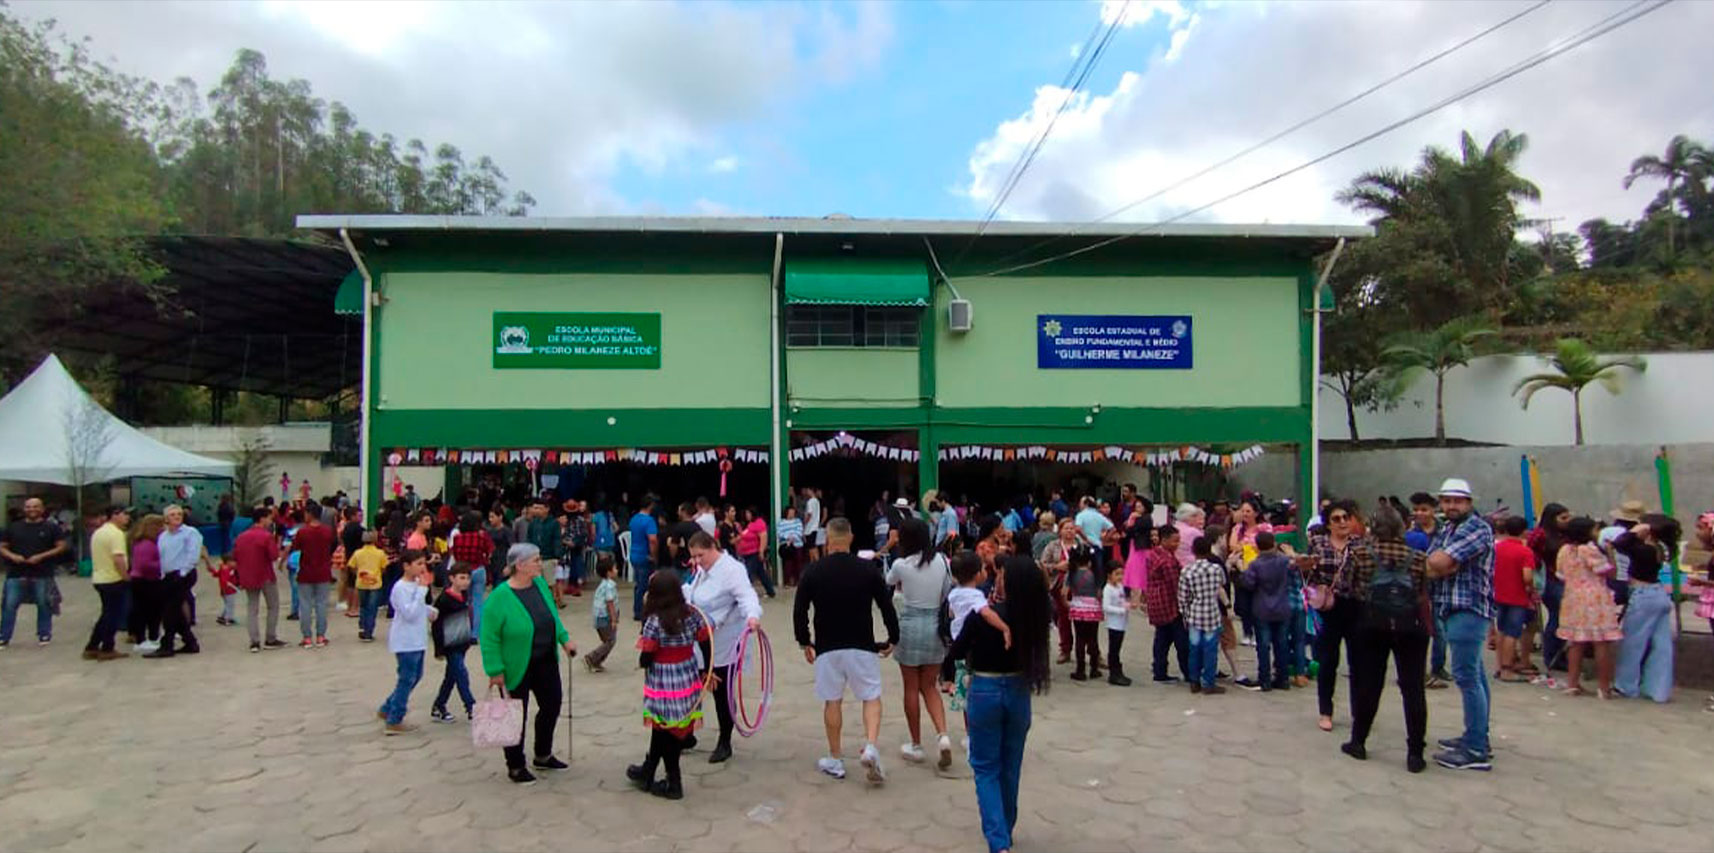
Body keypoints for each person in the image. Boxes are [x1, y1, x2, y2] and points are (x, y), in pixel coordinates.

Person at [940, 556, 1051, 853]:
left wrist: (949, 679)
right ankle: (1005, 828)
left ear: (1009, 580)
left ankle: (998, 840)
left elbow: (955, 652)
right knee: (1010, 765)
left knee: (986, 767)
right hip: (1018, 691)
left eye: (1000, 573)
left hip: (985, 689)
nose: (996, 577)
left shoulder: (983, 614)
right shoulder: (1036, 617)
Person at [794, 518, 900, 784]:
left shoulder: (813, 571)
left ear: (828, 539)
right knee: (871, 696)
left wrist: (804, 640)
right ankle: (871, 745)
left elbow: (800, 610)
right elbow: (886, 605)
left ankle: (836, 757)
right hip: (862, 644)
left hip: (828, 646)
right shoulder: (867, 570)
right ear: (850, 537)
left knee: (832, 701)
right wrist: (892, 637)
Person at [1342, 507, 1431, 773]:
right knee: (1413, 687)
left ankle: (1358, 740)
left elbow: (1349, 586)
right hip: (1409, 626)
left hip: (1372, 625)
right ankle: (1415, 753)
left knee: (1369, 683)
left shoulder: (1360, 554)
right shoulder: (1418, 557)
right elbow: (1423, 590)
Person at [479, 543, 575, 784]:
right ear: (519, 566)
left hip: (545, 661)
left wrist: (564, 640)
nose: (539, 564)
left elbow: (552, 615)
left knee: (552, 704)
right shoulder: (499, 598)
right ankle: (515, 764)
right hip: (516, 665)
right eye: (535, 560)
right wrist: (494, 669)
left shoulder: (540, 585)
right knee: (514, 715)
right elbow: (489, 637)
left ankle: (543, 753)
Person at [1425, 478, 1498, 772]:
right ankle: (1476, 735)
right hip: (1452, 607)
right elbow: (1432, 563)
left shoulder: (1476, 528)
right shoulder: (1449, 529)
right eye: (1446, 500)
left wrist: (1441, 564)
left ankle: (1476, 749)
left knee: (1466, 676)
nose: (1451, 505)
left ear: (1469, 503)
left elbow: (1439, 563)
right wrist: (1439, 564)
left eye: (1457, 500)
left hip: (1468, 606)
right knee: (1475, 675)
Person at [628, 569, 712, 800]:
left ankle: (674, 783)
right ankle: (648, 771)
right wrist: (705, 671)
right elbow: (706, 642)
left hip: (663, 681)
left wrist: (643, 661)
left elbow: (646, 657)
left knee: (666, 730)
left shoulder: (654, 622)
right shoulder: (692, 615)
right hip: (687, 677)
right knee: (664, 727)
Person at [685, 530, 763, 765]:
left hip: (724, 642)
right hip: (701, 639)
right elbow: (691, 592)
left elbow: (747, 596)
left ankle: (725, 741)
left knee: (722, 693)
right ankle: (686, 734)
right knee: (693, 686)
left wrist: (752, 616)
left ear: (712, 548)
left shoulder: (732, 569)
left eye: (700, 556)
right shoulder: (702, 571)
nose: (697, 561)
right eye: (694, 557)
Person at [883, 518, 955, 769]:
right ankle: (943, 735)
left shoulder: (902, 564)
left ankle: (916, 744)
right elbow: (947, 591)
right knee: (930, 686)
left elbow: (889, 581)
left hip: (910, 624)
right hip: (936, 625)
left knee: (911, 687)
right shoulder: (942, 562)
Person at [1305, 500, 1362, 729]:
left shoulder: (1360, 544)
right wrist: (1305, 567)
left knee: (1358, 663)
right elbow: (1309, 574)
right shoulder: (1319, 543)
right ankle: (1325, 712)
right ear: (1328, 524)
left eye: (1345, 518)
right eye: (1336, 519)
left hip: (1356, 606)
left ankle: (1360, 711)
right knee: (1328, 661)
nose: (1342, 523)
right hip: (1329, 608)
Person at [1613, 515, 1681, 702]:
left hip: (1643, 595)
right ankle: (1658, 690)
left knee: (1633, 644)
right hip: (1659, 595)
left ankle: (1626, 686)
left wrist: (1636, 531)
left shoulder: (1644, 550)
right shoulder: (1664, 549)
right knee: (1662, 646)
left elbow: (1620, 544)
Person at [1554, 516, 1621, 699]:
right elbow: (1610, 572)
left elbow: (1561, 575)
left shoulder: (1564, 550)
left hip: (1572, 598)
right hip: (1595, 599)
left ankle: (1572, 683)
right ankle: (1603, 686)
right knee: (1601, 642)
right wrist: (1610, 553)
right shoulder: (1589, 550)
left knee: (1575, 642)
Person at [379, 549, 437, 735]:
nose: (422, 568)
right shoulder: (400, 588)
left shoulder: (416, 585)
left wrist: (429, 610)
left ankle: (388, 706)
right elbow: (409, 613)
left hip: (418, 639)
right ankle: (395, 718)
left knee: (415, 676)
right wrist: (422, 592)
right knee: (406, 678)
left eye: (423, 564)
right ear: (406, 566)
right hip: (405, 640)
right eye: (418, 564)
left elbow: (418, 608)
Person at [0, 496, 69, 647]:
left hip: (42, 573)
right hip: (16, 573)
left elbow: (61, 546)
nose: (32, 510)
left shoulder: (51, 527)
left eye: (36, 506)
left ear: (42, 509)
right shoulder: (13, 527)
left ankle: (44, 635)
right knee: (9, 605)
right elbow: (2, 547)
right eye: (29, 507)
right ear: (24, 509)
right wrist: (13, 556)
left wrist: (41, 556)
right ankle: (4, 637)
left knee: (44, 604)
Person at [146, 505, 208, 658]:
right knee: (174, 610)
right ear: (166, 518)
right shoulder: (163, 536)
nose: (177, 517)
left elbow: (193, 555)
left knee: (170, 610)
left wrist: (182, 573)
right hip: (168, 575)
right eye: (173, 514)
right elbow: (162, 557)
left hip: (182, 575)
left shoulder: (190, 533)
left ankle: (167, 645)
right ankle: (190, 642)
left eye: (179, 514)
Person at [1240, 531, 1293, 691]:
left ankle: (1265, 679)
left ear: (1257, 546)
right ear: (1274, 544)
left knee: (1263, 646)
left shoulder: (1256, 564)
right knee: (1282, 644)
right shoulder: (1284, 561)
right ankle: (1283, 678)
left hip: (1262, 608)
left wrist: (1241, 569)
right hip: (1283, 606)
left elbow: (1248, 584)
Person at [1179, 535, 1227, 695]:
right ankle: (1208, 682)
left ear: (1193, 551)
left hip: (1195, 613)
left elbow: (1183, 597)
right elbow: (1222, 585)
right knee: (1211, 650)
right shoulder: (1216, 569)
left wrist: (1185, 615)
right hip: (1212, 613)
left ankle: (1194, 680)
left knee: (1194, 649)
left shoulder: (1187, 570)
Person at [1492, 516, 1538, 682]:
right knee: (1513, 633)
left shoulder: (1496, 548)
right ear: (1524, 531)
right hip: (1517, 596)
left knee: (1501, 630)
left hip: (1498, 594)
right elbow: (1527, 576)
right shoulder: (1525, 551)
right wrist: (1531, 588)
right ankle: (1507, 669)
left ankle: (1499, 666)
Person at [83, 506, 132, 661]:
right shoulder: (116, 534)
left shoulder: (99, 532)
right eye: (125, 514)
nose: (127, 518)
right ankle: (107, 647)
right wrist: (125, 576)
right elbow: (118, 558)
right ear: (115, 515)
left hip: (100, 578)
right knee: (113, 616)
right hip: (113, 579)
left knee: (106, 614)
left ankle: (92, 646)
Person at [430, 565, 477, 723]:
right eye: (462, 578)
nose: (465, 582)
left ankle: (439, 705)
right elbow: (436, 625)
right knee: (461, 674)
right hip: (450, 645)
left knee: (451, 676)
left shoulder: (464, 595)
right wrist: (439, 649)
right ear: (452, 578)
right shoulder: (444, 599)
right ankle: (471, 707)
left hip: (462, 642)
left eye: (468, 578)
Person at [1144, 524, 1190, 683]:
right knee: (1181, 640)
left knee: (1161, 639)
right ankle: (1188, 672)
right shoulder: (1168, 561)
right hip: (1169, 603)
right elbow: (1175, 584)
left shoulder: (1153, 554)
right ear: (1163, 540)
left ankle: (1159, 671)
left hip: (1155, 601)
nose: (1177, 544)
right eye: (1174, 541)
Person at [1531, 502, 1572, 673]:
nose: (1567, 521)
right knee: (1557, 618)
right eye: (1563, 518)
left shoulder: (1564, 534)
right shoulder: (1540, 535)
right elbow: (1532, 557)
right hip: (1549, 580)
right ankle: (1551, 655)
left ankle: (1559, 653)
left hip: (1565, 580)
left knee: (1563, 618)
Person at [290, 507, 338, 648]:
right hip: (323, 571)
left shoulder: (303, 532)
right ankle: (321, 636)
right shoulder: (327, 531)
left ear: (310, 514)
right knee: (321, 605)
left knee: (305, 605)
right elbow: (332, 545)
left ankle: (306, 637)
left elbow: (296, 547)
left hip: (305, 572)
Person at [1039, 519, 1079, 664]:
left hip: (1078, 586)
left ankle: (1088, 650)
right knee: (1063, 618)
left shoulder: (1081, 546)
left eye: (1072, 528)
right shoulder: (1053, 546)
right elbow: (1042, 564)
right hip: (1058, 586)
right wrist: (1056, 567)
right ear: (1060, 530)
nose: (1069, 531)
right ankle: (1065, 649)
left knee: (1082, 619)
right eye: (1066, 528)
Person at [1064, 545, 1104, 682]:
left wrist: (1068, 604)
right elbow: (1099, 593)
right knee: (1093, 638)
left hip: (1077, 607)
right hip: (1093, 608)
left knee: (1079, 639)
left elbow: (1064, 593)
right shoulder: (1095, 574)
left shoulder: (1072, 573)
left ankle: (1080, 670)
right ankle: (1094, 668)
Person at [127, 514, 166, 652]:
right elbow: (145, 565)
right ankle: (143, 639)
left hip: (146, 580)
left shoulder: (143, 542)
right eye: (160, 526)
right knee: (147, 611)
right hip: (145, 581)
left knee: (151, 610)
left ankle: (152, 637)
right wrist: (163, 564)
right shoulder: (146, 544)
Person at [348, 531, 387, 643]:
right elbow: (384, 567)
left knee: (363, 606)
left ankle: (364, 626)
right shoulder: (380, 553)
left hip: (361, 583)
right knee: (372, 608)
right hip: (375, 583)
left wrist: (358, 574)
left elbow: (351, 566)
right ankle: (369, 631)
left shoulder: (357, 553)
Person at [584, 553, 620, 672]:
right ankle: (592, 658)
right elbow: (609, 603)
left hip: (599, 617)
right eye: (614, 568)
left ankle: (596, 661)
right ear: (609, 572)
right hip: (604, 617)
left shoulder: (604, 585)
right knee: (610, 641)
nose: (617, 570)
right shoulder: (609, 586)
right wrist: (614, 619)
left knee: (608, 641)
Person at [629, 496, 660, 620]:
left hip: (634, 553)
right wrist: (654, 555)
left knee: (638, 584)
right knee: (645, 585)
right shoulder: (649, 521)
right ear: (650, 506)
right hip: (644, 555)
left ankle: (637, 609)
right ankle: (642, 611)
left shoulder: (634, 519)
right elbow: (652, 539)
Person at [1101, 563, 1132, 686]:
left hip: (1122, 623)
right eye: (1117, 574)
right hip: (1114, 624)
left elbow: (1122, 600)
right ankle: (1114, 674)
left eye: (1121, 573)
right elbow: (1106, 607)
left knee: (1117, 648)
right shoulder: (1108, 589)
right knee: (1114, 649)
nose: (1120, 577)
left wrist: (1127, 605)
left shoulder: (1120, 587)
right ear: (1109, 575)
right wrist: (1121, 610)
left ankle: (1119, 672)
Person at [735, 506, 774, 598]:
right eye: (746, 513)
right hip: (747, 553)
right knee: (761, 573)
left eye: (748, 513)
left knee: (748, 573)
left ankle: (743, 592)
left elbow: (763, 537)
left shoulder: (759, 523)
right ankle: (770, 590)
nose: (746, 515)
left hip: (754, 552)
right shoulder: (749, 524)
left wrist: (761, 551)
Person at [559, 500, 590, 598]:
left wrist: (574, 542)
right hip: (567, 544)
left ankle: (576, 585)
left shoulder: (580, 520)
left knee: (577, 562)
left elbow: (583, 534)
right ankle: (571, 584)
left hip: (577, 544)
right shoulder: (567, 520)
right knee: (570, 563)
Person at [1073, 497, 1113, 572]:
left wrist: (1086, 538)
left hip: (1084, 545)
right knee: (1098, 570)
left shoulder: (1081, 515)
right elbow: (1112, 528)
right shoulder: (1099, 516)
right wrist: (1104, 540)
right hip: (1097, 545)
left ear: (1085, 504)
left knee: (1083, 570)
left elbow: (1078, 528)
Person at [777, 506, 806, 587]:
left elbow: (799, 532)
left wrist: (793, 538)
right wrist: (787, 538)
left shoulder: (798, 521)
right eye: (790, 512)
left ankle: (798, 581)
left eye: (793, 513)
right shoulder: (781, 523)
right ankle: (787, 581)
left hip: (797, 544)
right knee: (788, 563)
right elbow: (779, 533)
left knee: (798, 563)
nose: (791, 514)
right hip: (786, 545)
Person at [211, 554, 239, 626]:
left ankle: (223, 617)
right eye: (234, 562)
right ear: (228, 562)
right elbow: (224, 581)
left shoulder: (225, 569)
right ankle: (227, 619)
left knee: (227, 605)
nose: (236, 563)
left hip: (227, 590)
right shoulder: (226, 570)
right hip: (228, 591)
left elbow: (216, 574)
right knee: (230, 605)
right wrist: (224, 589)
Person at [803, 487, 824, 564]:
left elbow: (809, 514)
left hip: (810, 527)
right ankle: (813, 562)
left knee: (812, 546)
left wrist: (804, 523)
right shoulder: (817, 501)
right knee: (811, 546)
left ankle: (817, 562)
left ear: (810, 491)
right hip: (815, 526)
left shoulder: (810, 501)